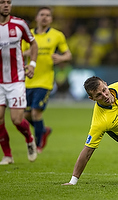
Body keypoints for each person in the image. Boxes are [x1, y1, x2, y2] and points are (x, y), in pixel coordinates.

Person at [22, 6, 72, 153]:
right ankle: (43, 130)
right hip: (28, 79)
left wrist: (61, 57)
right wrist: (30, 52)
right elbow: (20, 52)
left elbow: (68, 55)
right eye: (42, 14)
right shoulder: (28, 34)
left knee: (36, 113)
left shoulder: (57, 35)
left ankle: (38, 145)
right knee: (25, 116)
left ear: (51, 19)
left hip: (45, 80)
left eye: (48, 15)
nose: (45, 17)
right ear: (36, 17)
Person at [0, 0, 38, 165]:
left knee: (16, 120)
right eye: (2, 2)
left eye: (9, 2)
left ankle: (29, 138)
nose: (6, 5)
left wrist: (32, 64)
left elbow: (33, 43)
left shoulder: (19, 24)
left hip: (16, 80)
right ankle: (8, 155)